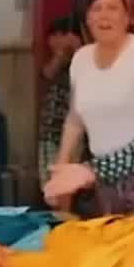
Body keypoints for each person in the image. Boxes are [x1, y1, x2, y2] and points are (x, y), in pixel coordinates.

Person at [45, 0, 134, 214]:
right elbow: (75, 118)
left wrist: (89, 171)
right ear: (86, 19)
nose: (104, 16)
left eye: (113, 8)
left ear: (127, 17)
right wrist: (62, 168)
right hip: (101, 180)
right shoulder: (81, 58)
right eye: (96, 8)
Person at [38, 16, 81, 190]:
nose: (54, 40)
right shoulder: (55, 61)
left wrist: (76, 49)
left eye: (60, 35)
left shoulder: (84, 59)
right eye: (52, 35)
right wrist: (61, 54)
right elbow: (47, 74)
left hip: (75, 132)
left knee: (72, 183)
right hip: (50, 131)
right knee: (50, 181)